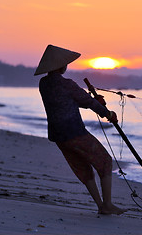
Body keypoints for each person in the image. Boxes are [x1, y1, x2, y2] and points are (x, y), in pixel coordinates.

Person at [34, 44, 126, 215]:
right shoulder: (67, 84)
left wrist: (93, 100)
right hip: (74, 132)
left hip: (58, 135)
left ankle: (101, 205)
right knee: (105, 161)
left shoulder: (43, 84)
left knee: (82, 167)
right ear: (60, 66)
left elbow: (74, 101)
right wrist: (108, 113)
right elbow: (87, 102)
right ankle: (107, 204)